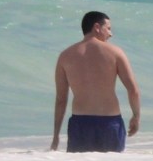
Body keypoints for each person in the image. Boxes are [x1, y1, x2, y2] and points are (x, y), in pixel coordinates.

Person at [50, 11, 141, 152]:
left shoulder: (65, 56)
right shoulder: (116, 53)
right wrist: (136, 116)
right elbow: (133, 90)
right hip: (109, 123)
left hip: (80, 124)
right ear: (97, 27)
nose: (111, 34)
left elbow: (61, 99)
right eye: (109, 28)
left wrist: (56, 136)